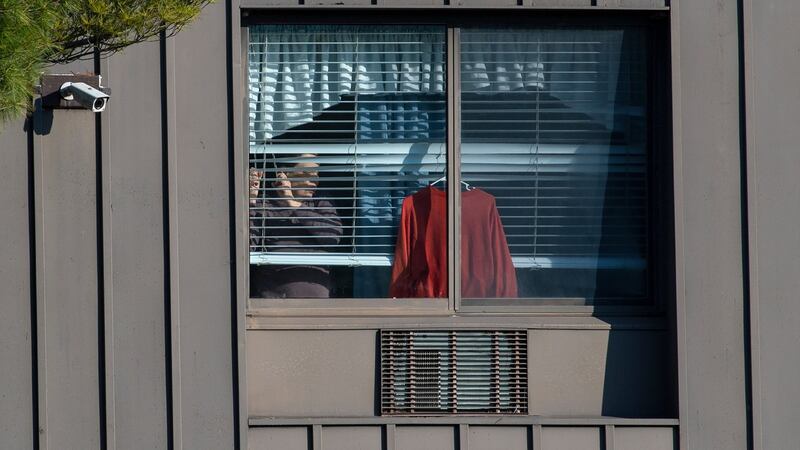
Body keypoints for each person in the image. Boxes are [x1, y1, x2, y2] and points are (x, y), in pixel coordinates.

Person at [249, 154, 343, 298]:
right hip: (275, 306)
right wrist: (251, 203)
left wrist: (292, 203)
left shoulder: (320, 202)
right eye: (306, 174)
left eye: (316, 176)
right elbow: (247, 246)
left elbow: (332, 237)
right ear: (284, 175)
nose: (314, 181)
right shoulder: (266, 206)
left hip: (318, 307)